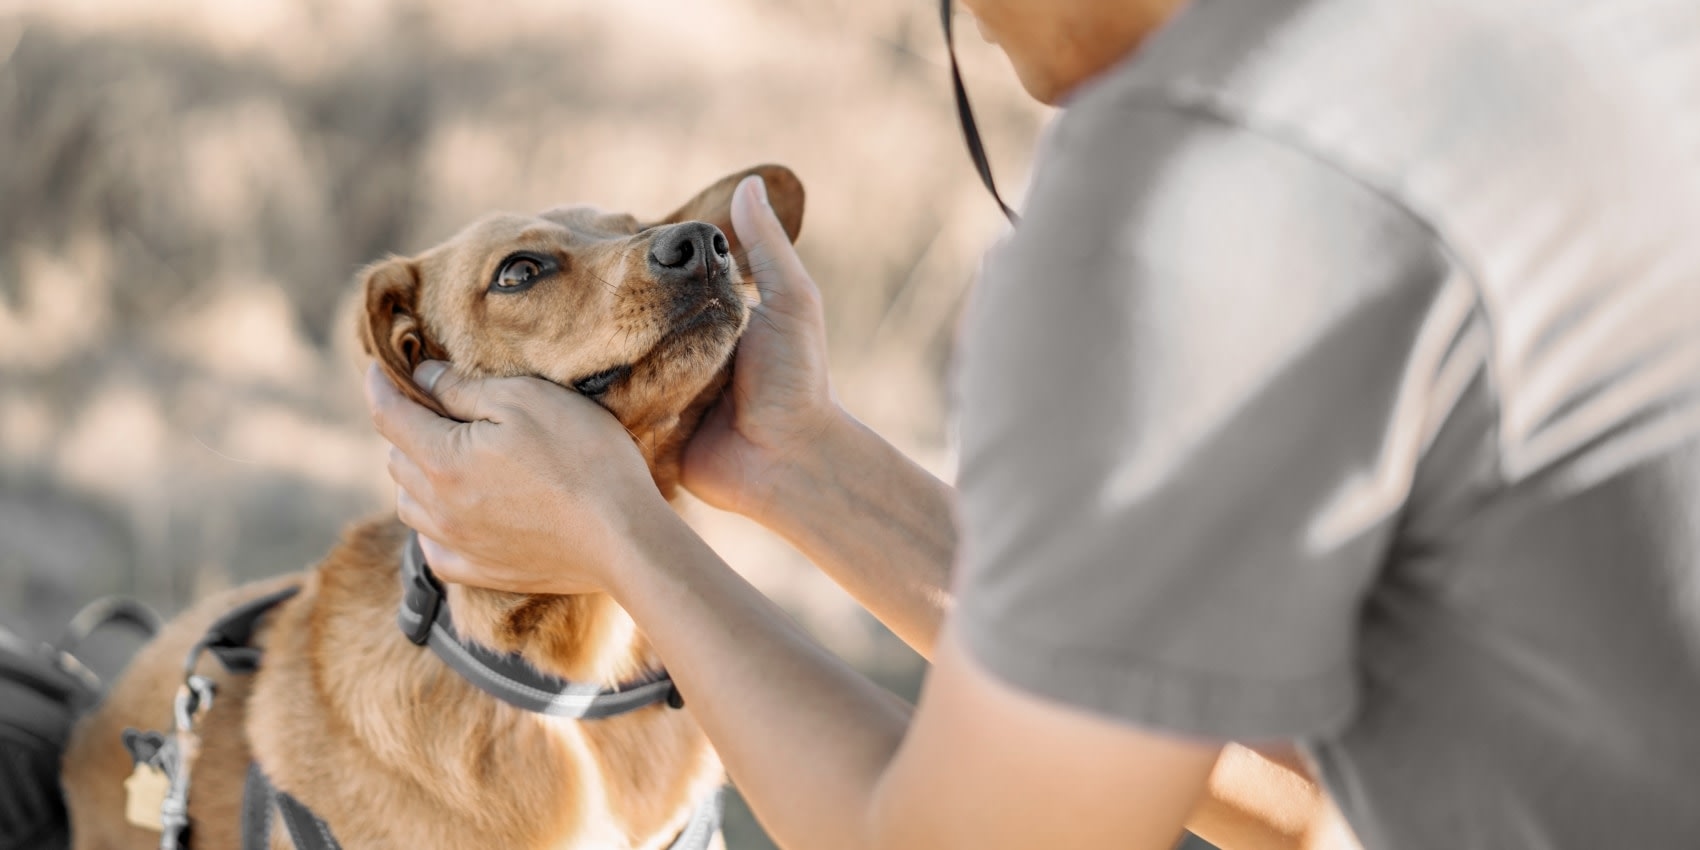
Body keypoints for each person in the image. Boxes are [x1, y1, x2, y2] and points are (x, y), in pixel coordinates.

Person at [365, 0, 1700, 847]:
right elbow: (1304, 787)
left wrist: (617, 531)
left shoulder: (1195, 194)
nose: (963, 25)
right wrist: (795, 458)